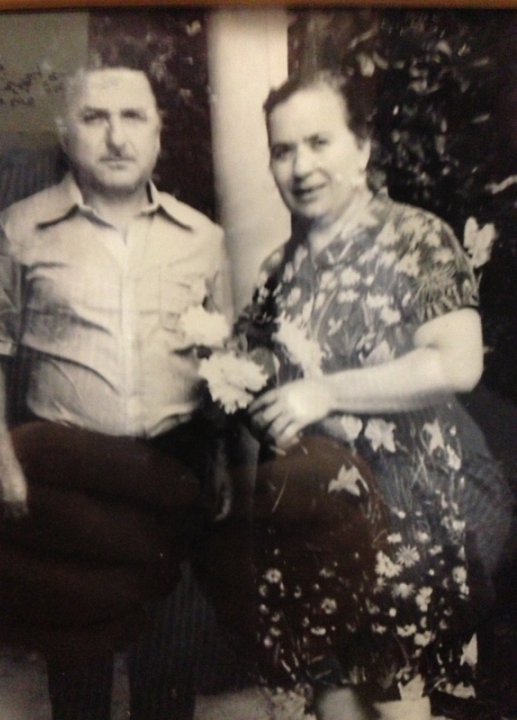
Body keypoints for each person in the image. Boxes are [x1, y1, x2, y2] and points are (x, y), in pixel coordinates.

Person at [236, 70, 514, 720]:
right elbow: (259, 381)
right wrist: (263, 408)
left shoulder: (417, 238)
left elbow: (456, 363)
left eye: (319, 142)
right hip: (309, 524)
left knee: (398, 707)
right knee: (333, 702)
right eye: (283, 150)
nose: (301, 166)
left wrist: (322, 393)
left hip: (404, 520)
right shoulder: (277, 270)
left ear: (361, 147)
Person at [0, 50, 234, 720]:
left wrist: (223, 460)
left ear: (158, 133)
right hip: (70, 473)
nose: (116, 137)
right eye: (95, 118)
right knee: (79, 654)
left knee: (168, 656)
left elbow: (227, 365)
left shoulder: (203, 238)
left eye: (133, 117)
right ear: (66, 135)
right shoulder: (20, 228)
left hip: (171, 467)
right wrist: (4, 460)